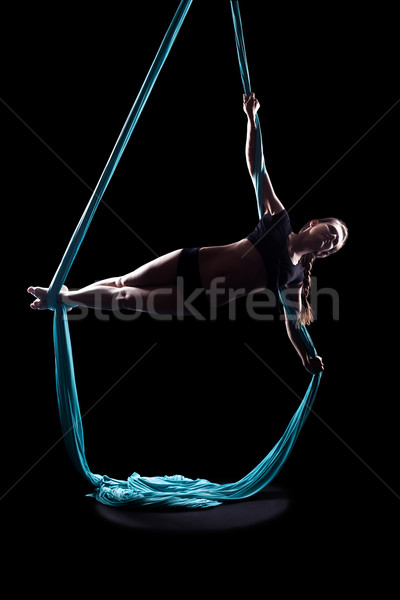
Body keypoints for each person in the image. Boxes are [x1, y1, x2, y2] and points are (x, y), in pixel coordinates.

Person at [28, 93, 348, 374]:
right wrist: (252, 118)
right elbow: (258, 169)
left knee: (125, 298)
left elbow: (292, 325)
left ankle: (65, 298)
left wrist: (307, 356)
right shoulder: (280, 221)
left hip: (198, 299)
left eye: (334, 246)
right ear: (315, 223)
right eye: (332, 232)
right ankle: (68, 298)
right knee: (123, 281)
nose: (331, 240)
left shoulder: (293, 277)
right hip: (192, 260)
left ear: (323, 254)